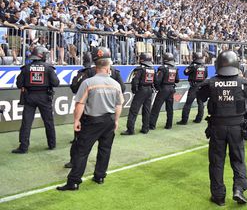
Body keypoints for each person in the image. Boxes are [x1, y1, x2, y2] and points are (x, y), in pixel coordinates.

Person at [57, 47, 124, 191]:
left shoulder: (88, 83)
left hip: (92, 121)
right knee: (105, 150)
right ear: (108, 65)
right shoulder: (116, 84)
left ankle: (74, 182)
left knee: (82, 151)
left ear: (95, 65)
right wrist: (116, 120)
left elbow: (80, 103)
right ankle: (99, 176)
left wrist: (76, 121)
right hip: (109, 121)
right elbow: (119, 105)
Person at [196, 50, 247, 206]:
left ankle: (219, 196)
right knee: (238, 159)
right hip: (237, 127)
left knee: (216, 161)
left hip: (217, 126)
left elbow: (200, 97)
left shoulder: (210, 83)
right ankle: (239, 189)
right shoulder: (243, 83)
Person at [12, 47, 59, 154]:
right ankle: (52, 144)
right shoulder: (48, 68)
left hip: (30, 97)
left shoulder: (26, 68)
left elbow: (19, 84)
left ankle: (23, 147)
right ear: (42, 55)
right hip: (44, 97)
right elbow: (56, 83)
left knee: (26, 123)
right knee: (49, 122)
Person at [122, 52, 154, 135]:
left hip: (141, 90)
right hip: (149, 90)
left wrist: (135, 90)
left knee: (134, 110)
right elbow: (155, 80)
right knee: (147, 110)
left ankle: (130, 130)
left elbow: (135, 81)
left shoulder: (139, 69)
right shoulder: (152, 68)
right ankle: (145, 128)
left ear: (142, 59)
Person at [149, 52, 179, 130]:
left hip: (164, 89)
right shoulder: (174, 68)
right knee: (169, 108)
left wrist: (158, 87)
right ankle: (169, 125)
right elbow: (177, 80)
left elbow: (158, 80)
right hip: (171, 88)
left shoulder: (162, 68)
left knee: (156, 107)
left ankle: (152, 125)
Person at [178, 51, 208, 125]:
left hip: (194, 86)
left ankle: (184, 120)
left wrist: (190, 65)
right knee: (200, 103)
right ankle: (199, 119)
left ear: (194, 58)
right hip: (202, 86)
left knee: (188, 104)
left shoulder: (193, 66)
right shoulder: (204, 66)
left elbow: (185, 72)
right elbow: (206, 76)